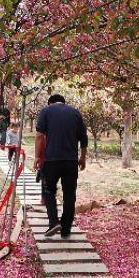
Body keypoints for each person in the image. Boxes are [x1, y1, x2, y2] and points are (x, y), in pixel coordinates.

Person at [34, 94, 87, 238]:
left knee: (48, 191)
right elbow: (84, 138)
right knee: (70, 194)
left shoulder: (46, 111)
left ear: (50, 103)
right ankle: (66, 229)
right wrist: (82, 158)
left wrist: (37, 157)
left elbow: (39, 136)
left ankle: (53, 222)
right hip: (71, 161)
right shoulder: (75, 113)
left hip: (51, 160)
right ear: (64, 102)